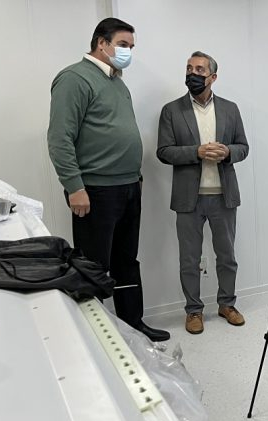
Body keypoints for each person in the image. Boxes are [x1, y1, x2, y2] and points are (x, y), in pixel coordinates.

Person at [47, 17, 170, 342]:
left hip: (128, 186)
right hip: (95, 190)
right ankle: (97, 338)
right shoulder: (74, 78)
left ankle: (133, 326)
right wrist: (74, 186)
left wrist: (135, 178)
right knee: (93, 265)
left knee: (126, 261)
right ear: (102, 43)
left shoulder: (117, 83)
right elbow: (59, 138)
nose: (128, 52)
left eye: (131, 46)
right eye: (123, 45)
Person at [157, 51, 249, 334]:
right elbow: (164, 151)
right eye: (189, 68)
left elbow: (243, 147)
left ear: (213, 77)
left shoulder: (230, 109)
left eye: (199, 69)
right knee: (189, 259)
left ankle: (227, 304)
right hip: (189, 198)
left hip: (224, 196)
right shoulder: (172, 110)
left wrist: (228, 152)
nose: (192, 74)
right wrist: (196, 152)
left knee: (227, 256)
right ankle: (193, 310)